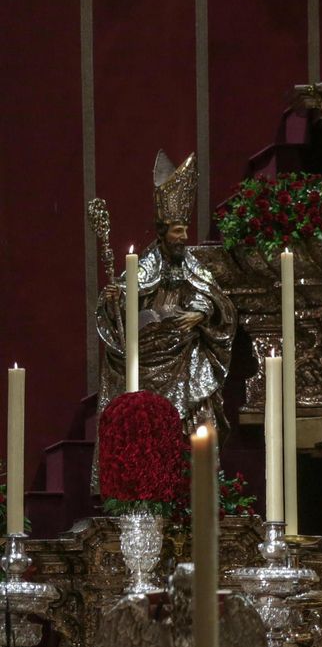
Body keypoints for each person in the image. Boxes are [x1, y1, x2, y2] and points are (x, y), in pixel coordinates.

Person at [96, 151, 237, 439]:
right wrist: (116, 299)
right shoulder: (145, 266)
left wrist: (200, 312)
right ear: (163, 233)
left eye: (185, 230)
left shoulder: (191, 265)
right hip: (149, 354)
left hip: (185, 353)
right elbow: (126, 296)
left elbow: (214, 297)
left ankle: (194, 460)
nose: (184, 238)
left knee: (198, 412)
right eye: (178, 231)